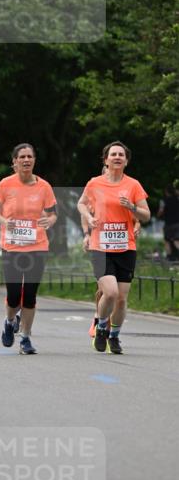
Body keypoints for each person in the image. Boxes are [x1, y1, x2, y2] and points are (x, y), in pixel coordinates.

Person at [77, 141, 150, 354]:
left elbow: (146, 215)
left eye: (121, 155)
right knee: (109, 292)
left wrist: (133, 207)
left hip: (125, 247)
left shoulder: (134, 185)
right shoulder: (95, 183)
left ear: (126, 161)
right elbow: (81, 203)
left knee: (121, 298)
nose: (117, 157)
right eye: (113, 154)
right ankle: (101, 327)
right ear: (106, 159)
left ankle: (115, 336)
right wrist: (89, 218)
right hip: (101, 246)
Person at [0, 144, 58, 354]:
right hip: (11, 246)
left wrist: (50, 221)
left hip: (37, 246)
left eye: (30, 157)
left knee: (30, 295)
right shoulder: (5, 184)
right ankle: (10, 321)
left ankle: (26, 338)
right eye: (22, 157)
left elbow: (53, 213)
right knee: (12, 296)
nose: (26, 160)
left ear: (34, 160)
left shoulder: (44, 186)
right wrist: (3, 221)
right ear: (15, 162)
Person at [158, 184, 179, 262]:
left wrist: (159, 215)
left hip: (169, 223)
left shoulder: (163, 200)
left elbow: (161, 211)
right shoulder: (177, 199)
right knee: (176, 240)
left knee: (167, 240)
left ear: (166, 192)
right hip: (177, 223)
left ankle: (169, 257)